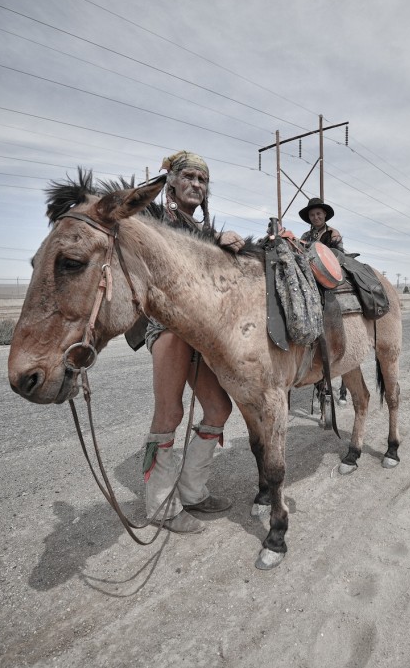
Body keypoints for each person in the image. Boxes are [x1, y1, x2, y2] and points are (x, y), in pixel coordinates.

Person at [139, 151, 245, 534]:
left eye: (202, 180)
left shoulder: (204, 231)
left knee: (218, 408)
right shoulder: (150, 218)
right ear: (171, 182)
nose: (196, 185)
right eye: (189, 177)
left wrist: (222, 241)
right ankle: (161, 507)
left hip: (201, 334)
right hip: (167, 328)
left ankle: (193, 491)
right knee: (169, 414)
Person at [298, 198, 348, 404]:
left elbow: (338, 255)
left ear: (324, 215)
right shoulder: (304, 236)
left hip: (329, 273)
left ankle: (342, 384)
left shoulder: (333, 233)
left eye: (319, 214)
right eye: (312, 215)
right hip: (310, 275)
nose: (316, 217)